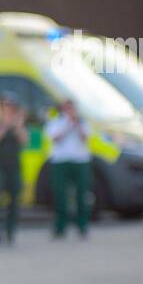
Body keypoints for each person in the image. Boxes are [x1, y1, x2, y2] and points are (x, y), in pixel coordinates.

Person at [45, 99, 91, 239]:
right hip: (61, 161)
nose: (70, 111)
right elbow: (55, 138)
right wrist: (67, 124)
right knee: (60, 195)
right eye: (67, 108)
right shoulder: (56, 121)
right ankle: (60, 226)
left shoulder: (82, 121)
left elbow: (85, 138)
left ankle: (82, 225)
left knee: (82, 194)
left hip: (80, 160)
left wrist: (76, 124)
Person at [0, 97, 25, 246]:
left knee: (14, 202)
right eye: (5, 108)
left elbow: (24, 140)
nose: (8, 110)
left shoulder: (17, 126)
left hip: (14, 168)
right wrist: (5, 126)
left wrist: (17, 126)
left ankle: (10, 232)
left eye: (10, 108)